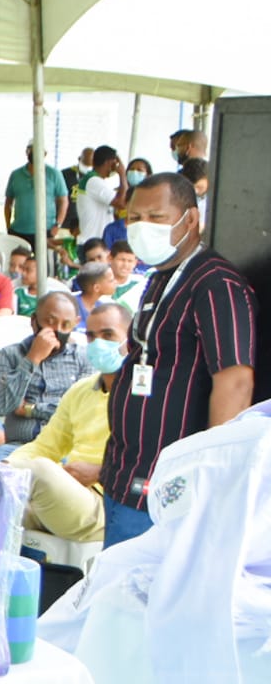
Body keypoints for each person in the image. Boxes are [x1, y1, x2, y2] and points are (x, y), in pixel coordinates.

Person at [102, 172, 256, 547]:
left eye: (156, 217)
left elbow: (235, 380)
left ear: (190, 219)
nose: (142, 228)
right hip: (128, 473)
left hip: (168, 489)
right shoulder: (161, 277)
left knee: (142, 599)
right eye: (135, 218)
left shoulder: (214, 283)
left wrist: (211, 475)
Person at [3, 302, 133, 543]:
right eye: (91, 336)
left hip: (109, 506)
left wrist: (101, 473)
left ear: (131, 338)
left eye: (108, 335)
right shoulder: (81, 390)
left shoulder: (146, 394)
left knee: (40, 470)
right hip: (68, 496)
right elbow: (45, 446)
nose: (98, 344)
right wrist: (4, 466)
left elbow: (153, 463)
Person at [0, 291, 90, 457]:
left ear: (75, 324)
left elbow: (80, 412)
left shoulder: (83, 359)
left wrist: (30, 409)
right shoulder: (9, 355)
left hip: (66, 448)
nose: (57, 330)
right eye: (50, 322)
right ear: (34, 321)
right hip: (20, 447)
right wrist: (32, 359)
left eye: (65, 325)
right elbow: (1, 406)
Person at [3, 143, 69, 243]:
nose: (34, 153)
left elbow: (63, 201)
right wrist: (8, 226)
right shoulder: (16, 174)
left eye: (38, 151)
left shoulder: (54, 174)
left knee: (44, 259)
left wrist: (57, 225)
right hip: (18, 231)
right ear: (26, 152)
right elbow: (8, 202)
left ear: (45, 154)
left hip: (46, 231)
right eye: (31, 150)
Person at [75, 146, 127, 243]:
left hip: (97, 240)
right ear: (109, 162)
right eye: (115, 163)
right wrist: (122, 174)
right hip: (93, 241)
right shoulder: (94, 181)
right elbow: (121, 203)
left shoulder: (95, 180)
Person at [60, 146, 97, 237]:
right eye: (86, 164)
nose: (88, 167)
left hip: (85, 226)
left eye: (91, 165)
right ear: (79, 159)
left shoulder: (96, 178)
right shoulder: (65, 174)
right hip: (65, 225)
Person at [73, 261, 117, 332]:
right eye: (111, 280)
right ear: (96, 288)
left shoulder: (102, 307)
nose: (116, 282)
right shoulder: (70, 305)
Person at [109, 239, 147, 311]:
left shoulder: (140, 282)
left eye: (130, 261)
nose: (125, 265)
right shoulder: (101, 282)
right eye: (122, 260)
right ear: (110, 258)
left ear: (135, 262)